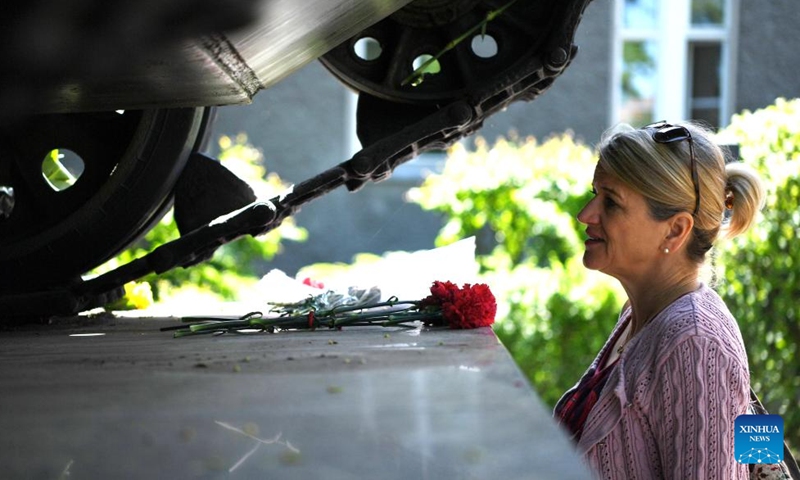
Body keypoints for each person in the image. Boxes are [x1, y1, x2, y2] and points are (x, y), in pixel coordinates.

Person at [554, 121, 766, 479]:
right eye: (595, 194)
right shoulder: (641, 315)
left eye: (612, 202)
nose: (585, 215)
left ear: (675, 229)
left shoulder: (696, 342)